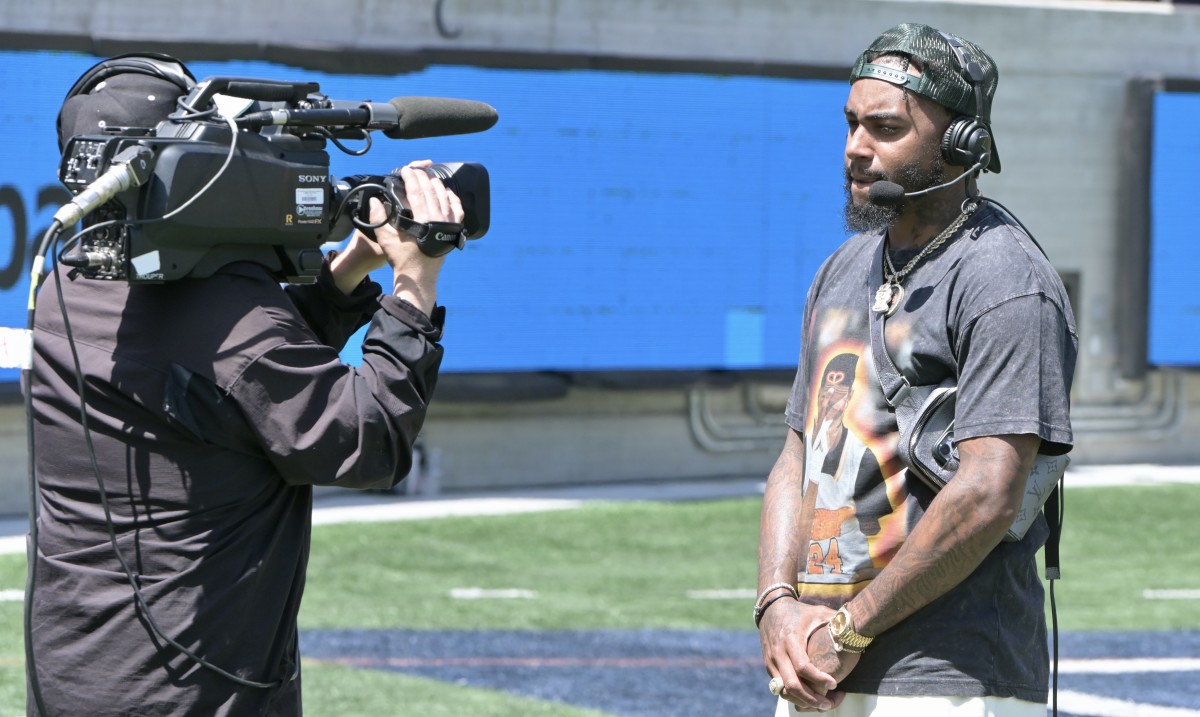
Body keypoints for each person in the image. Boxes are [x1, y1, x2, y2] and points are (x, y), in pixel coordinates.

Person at [27, 54, 465, 716]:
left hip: (74, 679)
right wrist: (414, 284)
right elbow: (366, 440)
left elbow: (230, 397)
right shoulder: (231, 315)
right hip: (193, 694)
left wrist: (341, 275)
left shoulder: (66, 289)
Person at [756, 23, 1077, 716]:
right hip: (816, 670)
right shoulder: (839, 269)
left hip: (949, 680)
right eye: (850, 124)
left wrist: (851, 625)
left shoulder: (1005, 278)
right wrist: (777, 607)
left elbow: (989, 491)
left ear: (961, 143)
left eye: (884, 127)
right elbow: (796, 457)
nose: (855, 148)